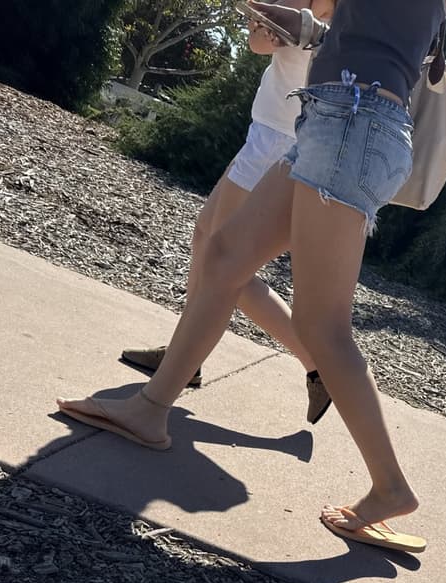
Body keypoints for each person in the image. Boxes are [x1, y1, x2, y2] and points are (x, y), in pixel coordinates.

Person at [59, 0, 446, 553]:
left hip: (352, 123)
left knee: (323, 326)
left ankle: (390, 487)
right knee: (224, 257)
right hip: (338, 117)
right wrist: (306, 27)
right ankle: (150, 410)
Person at [120, 0, 336, 425]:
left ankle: (318, 365)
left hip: (275, 139)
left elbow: (260, 41)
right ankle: (185, 355)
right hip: (280, 132)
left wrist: (258, 20)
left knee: (226, 264)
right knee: (206, 236)